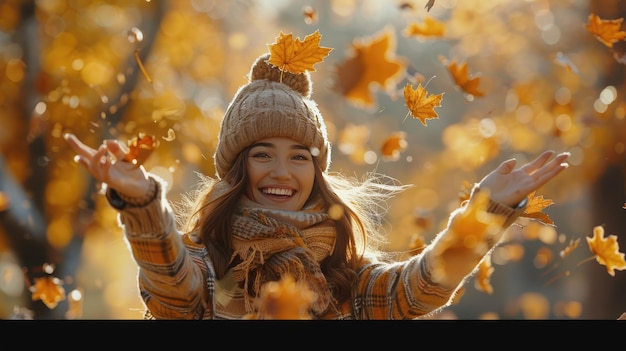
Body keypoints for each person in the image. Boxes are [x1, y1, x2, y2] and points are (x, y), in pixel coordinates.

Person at [64, 53, 570, 320]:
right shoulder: (206, 264)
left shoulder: (346, 279)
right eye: (262, 154)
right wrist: (140, 204)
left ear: (316, 172)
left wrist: (483, 214)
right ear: (237, 169)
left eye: (299, 157)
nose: (282, 171)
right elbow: (169, 280)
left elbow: (417, 290)